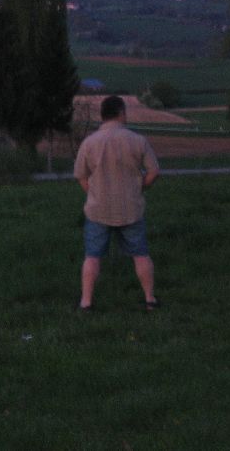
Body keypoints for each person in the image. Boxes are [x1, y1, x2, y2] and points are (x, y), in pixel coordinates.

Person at [73, 95, 160, 311]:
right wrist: (140, 188)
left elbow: (81, 176)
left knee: (92, 257)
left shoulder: (89, 142)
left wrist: (94, 193)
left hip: (98, 209)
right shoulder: (138, 140)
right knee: (140, 254)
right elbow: (153, 171)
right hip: (130, 208)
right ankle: (150, 299)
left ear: (103, 115)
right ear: (121, 113)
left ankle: (86, 302)